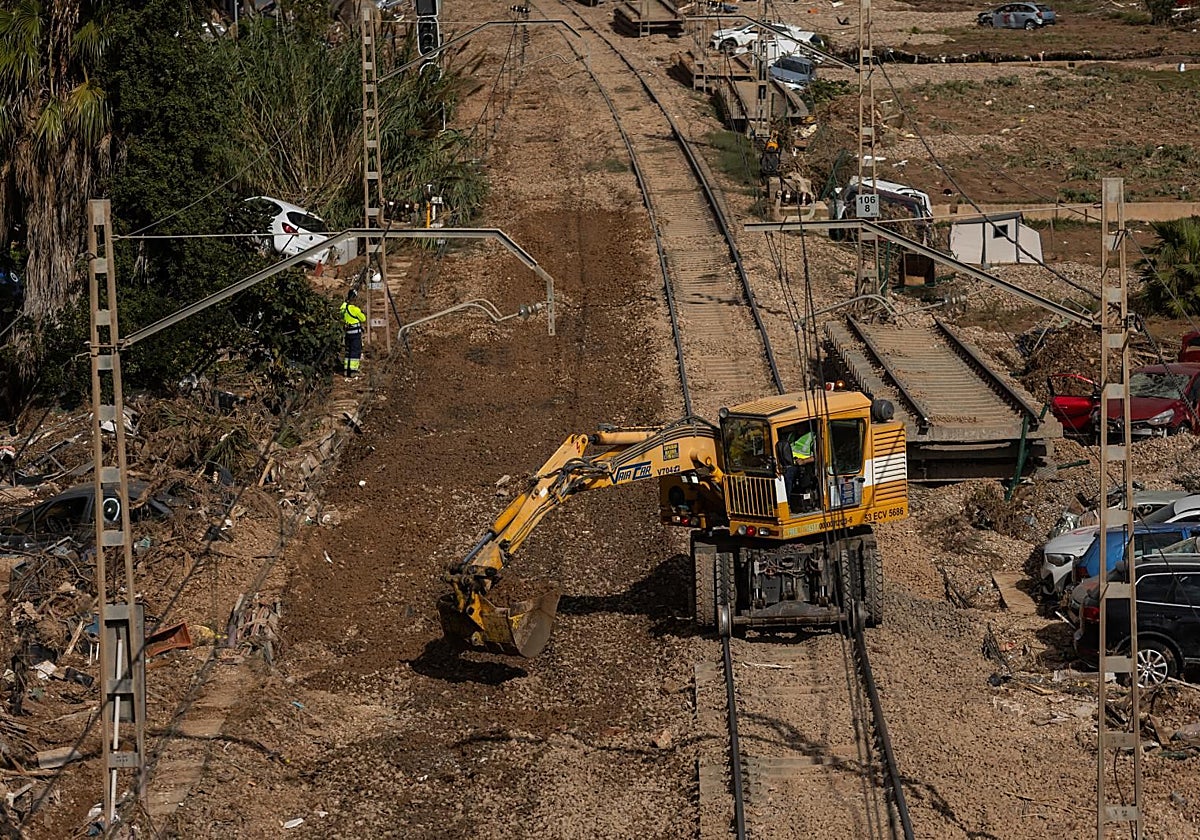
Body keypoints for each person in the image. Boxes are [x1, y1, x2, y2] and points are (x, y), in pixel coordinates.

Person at [340, 290, 367, 378]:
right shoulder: (355, 310)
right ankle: (353, 370)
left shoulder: (344, 309)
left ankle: (346, 370)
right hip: (355, 334)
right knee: (355, 351)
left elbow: (341, 310)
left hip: (347, 333)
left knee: (348, 351)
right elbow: (363, 319)